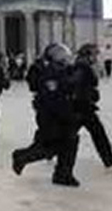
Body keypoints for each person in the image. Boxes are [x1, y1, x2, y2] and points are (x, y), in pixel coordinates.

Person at [11, 43, 81, 187]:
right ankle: (22, 157)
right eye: (60, 54)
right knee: (52, 147)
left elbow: (67, 89)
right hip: (52, 116)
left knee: (67, 143)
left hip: (59, 115)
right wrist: (67, 115)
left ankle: (63, 174)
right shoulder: (50, 73)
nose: (64, 57)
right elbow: (53, 98)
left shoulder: (62, 70)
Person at [72, 44, 112, 168]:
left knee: (95, 132)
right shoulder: (82, 66)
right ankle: (108, 158)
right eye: (94, 54)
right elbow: (77, 85)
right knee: (96, 132)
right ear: (87, 54)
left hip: (83, 106)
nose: (96, 57)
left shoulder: (83, 65)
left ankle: (108, 158)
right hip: (82, 107)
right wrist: (86, 99)